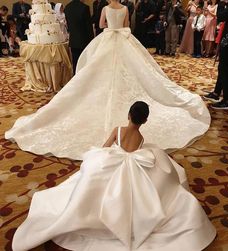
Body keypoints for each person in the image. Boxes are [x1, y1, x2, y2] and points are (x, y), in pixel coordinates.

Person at [5, 0, 211, 161]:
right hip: (122, 41)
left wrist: (109, 26)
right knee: (130, 69)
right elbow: (127, 25)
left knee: (96, 71)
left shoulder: (104, 8)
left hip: (108, 40)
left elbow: (102, 24)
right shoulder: (125, 8)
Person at [12, 101, 216, 251]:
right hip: (133, 166)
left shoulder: (118, 129)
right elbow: (136, 152)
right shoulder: (141, 137)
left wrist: (103, 156)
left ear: (128, 114)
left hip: (116, 162)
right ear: (145, 120)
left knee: (91, 179)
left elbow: (106, 146)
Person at [203, 0, 228, 109]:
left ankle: (227, 100)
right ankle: (219, 94)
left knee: (226, 69)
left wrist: (221, 4)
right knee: (223, 68)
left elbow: (221, 16)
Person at [65, 0, 94, 74]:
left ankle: (76, 80)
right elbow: (89, 27)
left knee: (75, 64)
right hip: (84, 40)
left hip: (73, 40)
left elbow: (68, 25)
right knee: (85, 63)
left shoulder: (67, 7)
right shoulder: (85, 8)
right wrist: (92, 41)